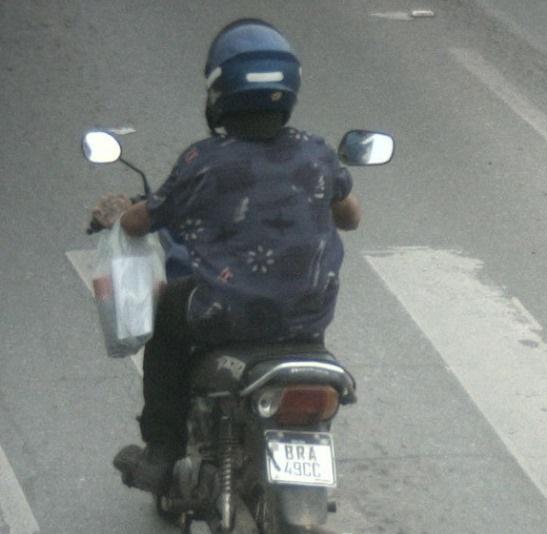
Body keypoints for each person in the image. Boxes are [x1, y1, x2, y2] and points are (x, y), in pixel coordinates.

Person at [91, 18, 361, 494]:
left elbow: (139, 223)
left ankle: (162, 451)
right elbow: (351, 217)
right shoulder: (317, 154)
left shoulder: (203, 161)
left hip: (223, 316)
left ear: (219, 94)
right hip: (306, 319)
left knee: (167, 318)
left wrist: (117, 214)